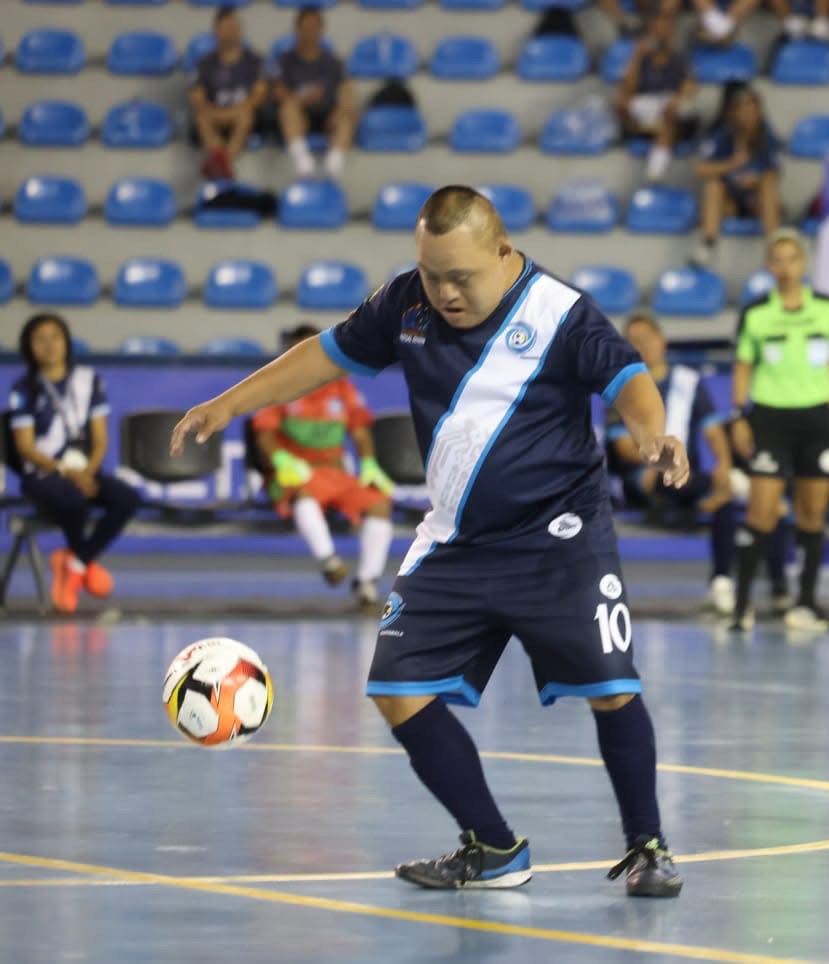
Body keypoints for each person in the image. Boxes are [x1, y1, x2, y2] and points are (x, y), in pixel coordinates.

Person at [170, 186, 689, 898]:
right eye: (432, 273)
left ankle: (648, 846)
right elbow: (324, 355)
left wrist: (654, 434)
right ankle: (493, 848)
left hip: (559, 537)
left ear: (503, 252)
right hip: (456, 539)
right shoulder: (405, 302)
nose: (444, 292)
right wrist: (227, 403)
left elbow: (628, 379)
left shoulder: (559, 312)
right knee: (397, 689)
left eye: (460, 277)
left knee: (611, 688)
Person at [730, 229, 829, 632]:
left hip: (816, 421)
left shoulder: (825, 309)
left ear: (803, 263)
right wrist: (739, 416)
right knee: (761, 513)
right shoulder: (756, 312)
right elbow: (742, 366)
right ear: (768, 265)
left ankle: (806, 603)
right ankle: (741, 606)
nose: (785, 267)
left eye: (792, 258)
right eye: (777, 259)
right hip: (770, 420)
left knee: (813, 514)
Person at [247, 324, 396, 608]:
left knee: (379, 503)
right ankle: (329, 562)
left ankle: (367, 582)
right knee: (304, 494)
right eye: (296, 351)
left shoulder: (341, 387)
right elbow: (263, 432)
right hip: (294, 473)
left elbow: (360, 430)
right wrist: (281, 460)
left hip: (336, 473)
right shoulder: (278, 387)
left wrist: (368, 462)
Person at [7, 313, 141, 614]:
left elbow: (100, 438)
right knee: (72, 499)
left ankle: (75, 564)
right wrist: (66, 472)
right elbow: (25, 447)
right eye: (40, 339)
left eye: (55, 337)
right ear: (29, 347)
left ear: (66, 342)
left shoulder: (88, 381)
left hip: (84, 470)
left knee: (127, 498)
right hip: (42, 473)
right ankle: (83, 566)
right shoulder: (24, 388)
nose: (49, 345)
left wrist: (88, 472)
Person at [607, 310, 738, 614]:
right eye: (634, 341)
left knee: (725, 502)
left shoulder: (687, 382)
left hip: (684, 476)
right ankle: (709, 491)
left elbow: (713, 430)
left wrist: (723, 464)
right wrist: (655, 459)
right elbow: (624, 448)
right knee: (660, 478)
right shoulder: (622, 387)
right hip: (640, 478)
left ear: (662, 342)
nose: (643, 346)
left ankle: (722, 583)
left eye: (647, 339)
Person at [692, 85, 783, 268]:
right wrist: (731, 164)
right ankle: (708, 244)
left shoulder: (766, 135)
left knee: (767, 185)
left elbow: (774, 172)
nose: (746, 115)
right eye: (741, 109)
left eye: (751, 109)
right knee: (713, 185)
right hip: (729, 203)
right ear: (733, 112)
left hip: (755, 201)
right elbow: (701, 169)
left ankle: (773, 249)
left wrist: (756, 181)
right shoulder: (722, 136)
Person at [614, 10, 699, 182]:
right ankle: (650, 131)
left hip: (670, 110)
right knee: (620, 102)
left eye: (666, 28)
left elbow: (689, 88)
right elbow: (628, 90)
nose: (661, 33)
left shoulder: (680, 59)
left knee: (671, 111)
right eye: (657, 28)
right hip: (648, 108)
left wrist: (678, 98)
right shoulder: (640, 59)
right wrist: (637, 56)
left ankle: (655, 169)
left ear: (672, 32)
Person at [273, 5, 357, 179]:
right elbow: (278, 92)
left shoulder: (333, 62)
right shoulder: (285, 61)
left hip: (327, 116)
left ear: (321, 30)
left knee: (347, 114)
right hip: (299, 116)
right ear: (297, 29)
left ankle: (334, 165)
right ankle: (302, 162)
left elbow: (346, 89)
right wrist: (301, 99)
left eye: (314, 27)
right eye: (306, 27)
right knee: (288, 109)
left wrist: (346, 105)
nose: (310, 32)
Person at [190, 5, 268, 181]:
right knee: (201, 117)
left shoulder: (254, 61)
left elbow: (259, 95)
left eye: (233, 27)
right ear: (216, 31)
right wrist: (218, 113)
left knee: (245, 115)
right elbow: (197, 98)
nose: (229, 32)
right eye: (225, 28)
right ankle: (223, 165)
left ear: (241, 30)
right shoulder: (204, 64)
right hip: (214, 114)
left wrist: (233, 112)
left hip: (244, 116)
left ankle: (221, 163)